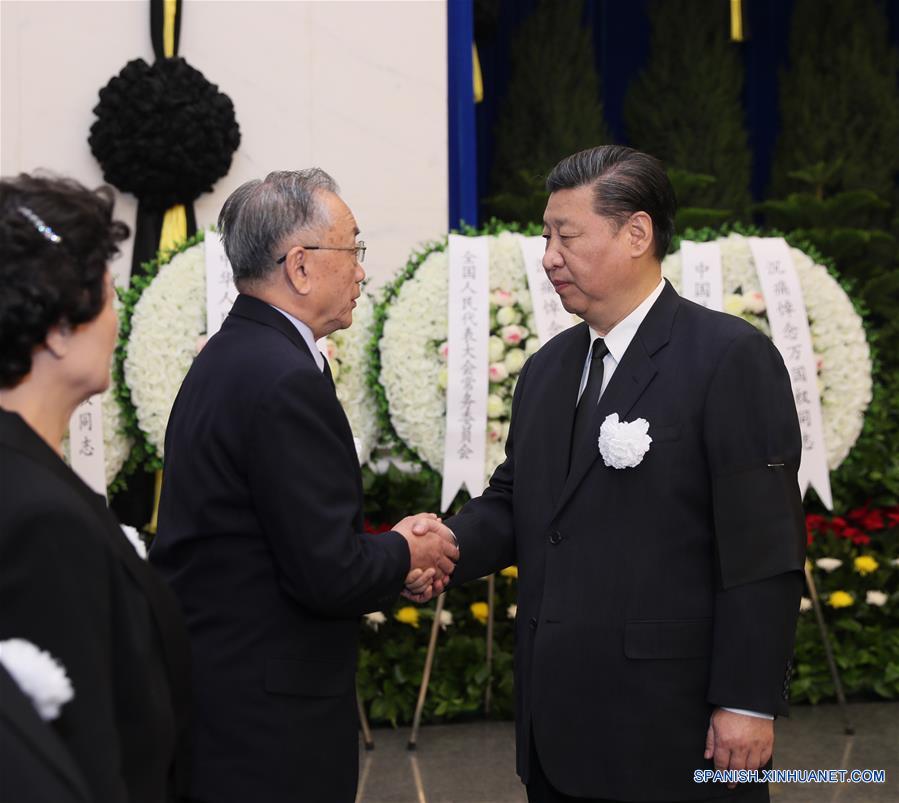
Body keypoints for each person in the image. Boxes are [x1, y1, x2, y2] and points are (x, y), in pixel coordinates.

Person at [441, 146, 806, 802]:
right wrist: (439, 548)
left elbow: (763, 550)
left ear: (636, 233)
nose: (548, 255)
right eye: (545, 236)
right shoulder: (547, 370)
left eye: (566, 235)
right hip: (556, 731)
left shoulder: (728, 359)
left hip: (672, 729)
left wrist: (747, 702)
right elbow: (516, 502)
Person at [149, 169, 458, 803]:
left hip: (222, 698)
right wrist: (407, 550)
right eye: (354, 250)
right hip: (268, 725)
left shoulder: (231, 356)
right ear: (300, 266)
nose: (363, 272)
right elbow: (327, 570)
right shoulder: (280, 376)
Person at [0, 173, 192, 803]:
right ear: (58, 328)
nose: (117, 319)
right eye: (110, 294)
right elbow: (78, 751)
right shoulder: (40, 519)